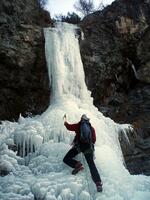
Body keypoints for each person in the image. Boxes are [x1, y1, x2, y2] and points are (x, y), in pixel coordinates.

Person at [63, 114, 103, 192]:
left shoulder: (78, 126)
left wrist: (65, 122)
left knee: (66, 159)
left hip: (79, 147)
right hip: (88, 148)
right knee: (91, 165)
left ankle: (77, 165)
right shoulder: (92, 128)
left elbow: (68, 127)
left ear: (81, 120)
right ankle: (98, 184)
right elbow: (94, 140)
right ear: (88, 120)